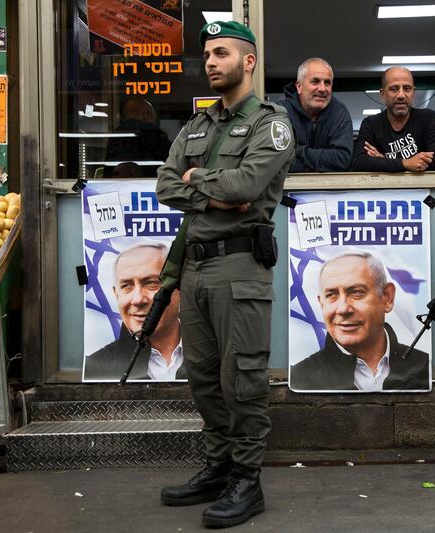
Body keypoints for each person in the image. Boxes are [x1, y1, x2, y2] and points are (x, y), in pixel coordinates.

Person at [155, 21, 294, 528]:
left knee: (244, 380)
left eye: (220, 53)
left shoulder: (271, 124)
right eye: (207, 55)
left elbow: (248, 185)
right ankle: (218, 467)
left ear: (248, 61)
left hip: (240, 268)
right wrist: (208, 188)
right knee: (204, 380)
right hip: (194, 268)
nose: (210, 62)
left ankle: (247, 480)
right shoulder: (197, 125)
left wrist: (205, 182)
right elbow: (165, 184)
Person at [289, 252, 429, 391]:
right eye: (332, 295)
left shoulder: (424, 368)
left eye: (356, 292)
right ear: (321, 304)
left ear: (387, 297)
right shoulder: (301, 378)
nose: (343, 309)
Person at [84, 242, 184, 381]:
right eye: (127, 286)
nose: (138, 300)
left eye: (151, 283)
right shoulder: (95, 368)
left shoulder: (215, 355)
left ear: (180, 288)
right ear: (116, 294)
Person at [351, 66, 435, 172]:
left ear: (413, 92)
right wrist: (405, 163)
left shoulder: (426, 118)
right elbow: (358, 162)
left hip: (420, 188)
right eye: (394, 89)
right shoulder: (371, 124)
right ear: (383, 94)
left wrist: (383, 161)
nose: (401, 95)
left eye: (407, 88)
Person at [278, 58, 353, 172]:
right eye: (315, 81)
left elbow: (342, 160)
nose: (322, 89)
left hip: (329, 188)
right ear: (299, 86)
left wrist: (297, 151)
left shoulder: (339, 113)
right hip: (286, 188)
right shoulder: (281, 111)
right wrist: (315, 167)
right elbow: (276, 160)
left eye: (327, 82)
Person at [104, 97, 172, 178]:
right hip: (149, 184)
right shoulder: (155, 134)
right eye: (155, 118)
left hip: (118, 186)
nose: (155, 121)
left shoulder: (116, 135)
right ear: (146, 114)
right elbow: (169, 164)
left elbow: (109, 167)